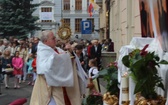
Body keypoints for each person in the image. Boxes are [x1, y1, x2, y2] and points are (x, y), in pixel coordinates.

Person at [30, 30, 83, 105]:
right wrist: (64, 58)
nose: (56, 40)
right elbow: (44, 69)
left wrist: (70, 51)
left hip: (62, 86)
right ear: (46, 41)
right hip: (50, 89)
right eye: (53, 38)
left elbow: (69, 59)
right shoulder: (43, 52)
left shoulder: (57, 49)